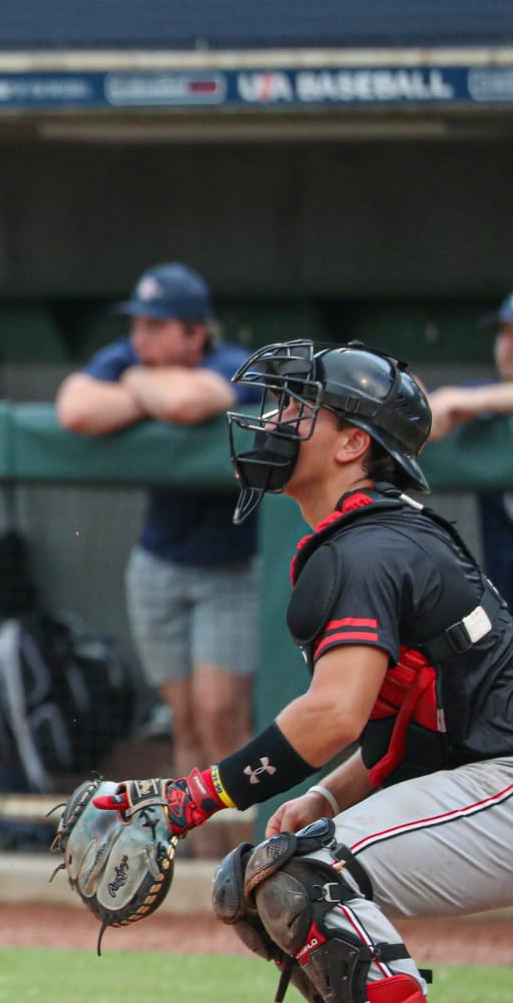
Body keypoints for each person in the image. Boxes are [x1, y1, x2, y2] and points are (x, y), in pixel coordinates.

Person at [94, 340, 513, 1002]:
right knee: (261, 883)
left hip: (502, 784)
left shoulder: (368, 548)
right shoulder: (378, 535)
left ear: (352, 444)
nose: (274, 421)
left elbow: (333, 715)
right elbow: (410, 719)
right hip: (489, 781)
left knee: (305, 874)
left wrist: (193, 797)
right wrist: (330, 796)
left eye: (298, 410)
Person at [56, 261, 257, 857]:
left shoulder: (231, 361)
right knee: (186, 721)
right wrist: (151, 388)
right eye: (137, 325)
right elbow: (75, 408)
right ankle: (205, 870)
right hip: (158, 564)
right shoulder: (128, 357)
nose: (139, 339)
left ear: (194, 334)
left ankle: (250, 865)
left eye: (156, 327)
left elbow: (193, 401)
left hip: (230, 569)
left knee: (222, 719)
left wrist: (138, 388)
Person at [426, 290, 513, 593]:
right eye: (504, 334)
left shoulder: (475, 398)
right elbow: (431, 409)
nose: (508, 346)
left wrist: (464, 399)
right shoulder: (480, 397)